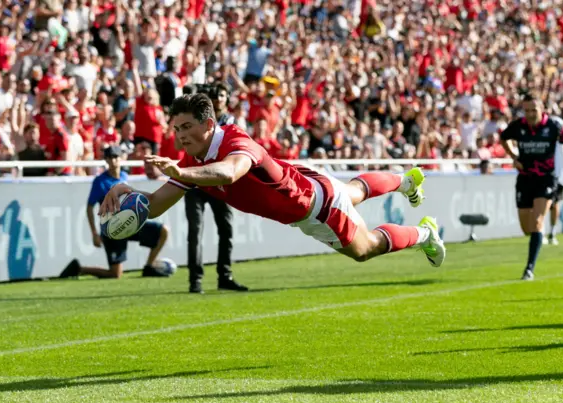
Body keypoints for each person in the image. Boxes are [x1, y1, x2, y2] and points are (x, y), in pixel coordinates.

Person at [99, 94, 445, 274]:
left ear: (208, 124)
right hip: (307, 184)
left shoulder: (236, 142)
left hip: (316, 209)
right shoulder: (193, 161)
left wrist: (181, 174)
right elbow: (157, 204)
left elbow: (230, 173)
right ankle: (403, 179)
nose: (180, 136)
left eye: (186, 127)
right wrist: (125, 190)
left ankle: (426, 233)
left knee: (365, 248)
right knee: (350, 192)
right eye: (175, 129)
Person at [500, 93, 563, 281]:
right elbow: (503, 138)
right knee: (527, 228)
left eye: (533, 110)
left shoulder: (554, 126)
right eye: (527, 110)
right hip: (524, 178)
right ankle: (538, 237)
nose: (530, 114)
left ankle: (529, 269)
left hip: (546, 179)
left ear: (542, 109)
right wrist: (514, 157)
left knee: (537, 221)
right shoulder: (518, 126)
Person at [60, 145, 170, 279]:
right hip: (113, 228)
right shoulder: (100, 181)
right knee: (115, 274)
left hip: (130, 222)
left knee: (163, 231)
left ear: (121, 158)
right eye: (109, 158)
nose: (113, 161)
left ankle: (149, 267)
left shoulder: (124, 175)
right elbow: (90, 207)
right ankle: (79, 269)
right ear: (105, 160)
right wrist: (94, 233)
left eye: (115, 157)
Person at [183, 83, 245, 294]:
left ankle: (225, 275)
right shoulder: (196, 118)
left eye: (222, 94)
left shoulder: (230, 122)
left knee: (226, 229)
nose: (219, 98)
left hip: (217, 181)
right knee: (195, 231)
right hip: (196, 180)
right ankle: (195, 280)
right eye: (215, 95)